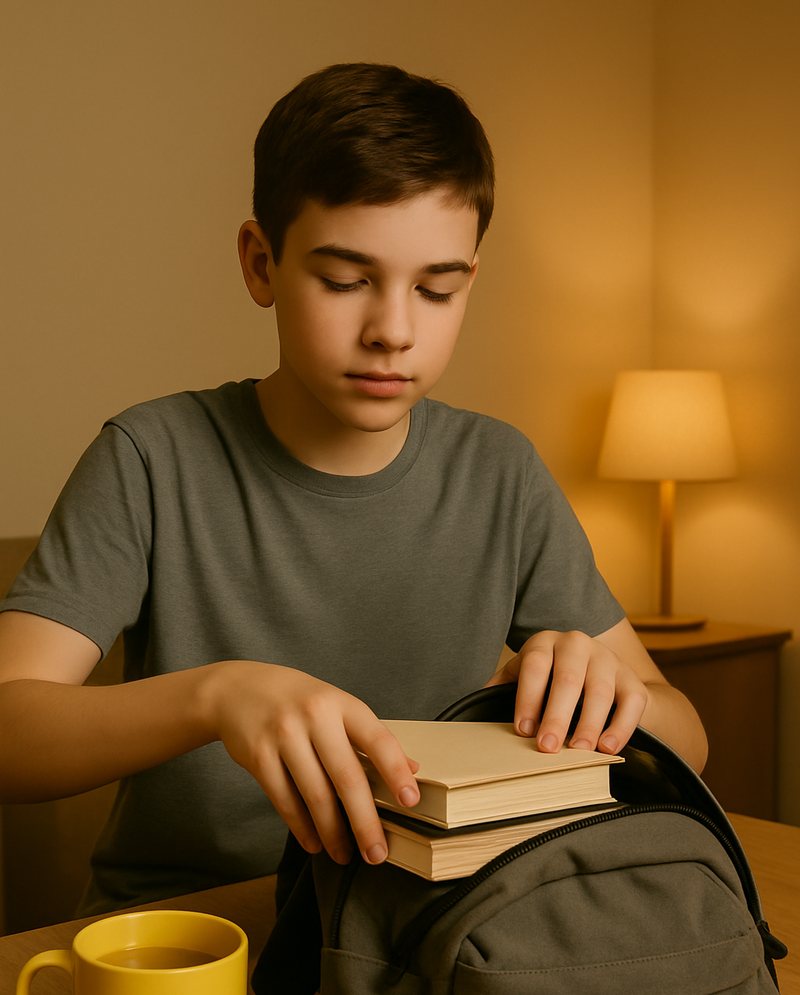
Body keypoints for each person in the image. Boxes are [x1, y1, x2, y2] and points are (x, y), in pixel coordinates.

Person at [0, 63, 707, 915]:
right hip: (191, 938)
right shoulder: (152, 457)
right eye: (344, 281)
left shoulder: (499, 471)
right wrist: (216, 695)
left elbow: (688, 742)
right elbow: (10, 729)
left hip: (411, 940)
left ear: (468, 284)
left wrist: (612, 691)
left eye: (436, 290)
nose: (394, 331)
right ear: (262, 263)